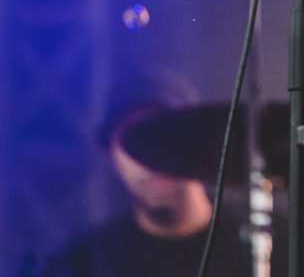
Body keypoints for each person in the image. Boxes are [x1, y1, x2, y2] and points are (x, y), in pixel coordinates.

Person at [41, 69, 254, 277]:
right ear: (111, 157)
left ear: (196, 141)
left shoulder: (273, 243)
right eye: (130, 144)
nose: (148, 159)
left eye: (162, 136)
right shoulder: (82, 263)